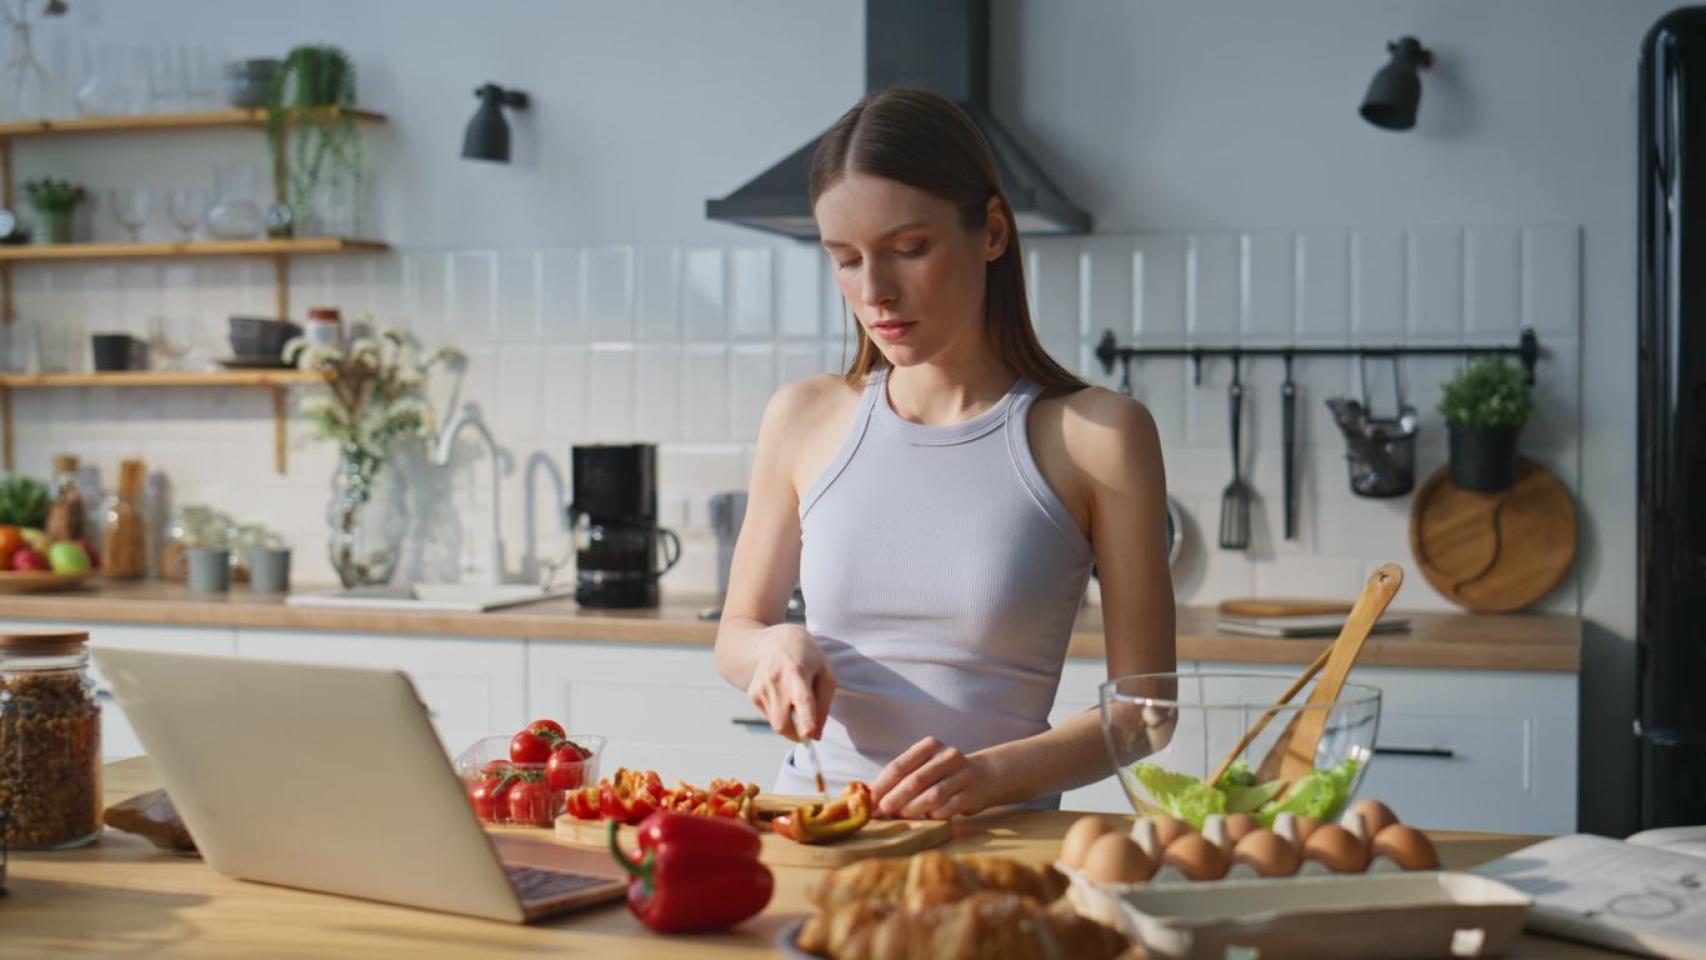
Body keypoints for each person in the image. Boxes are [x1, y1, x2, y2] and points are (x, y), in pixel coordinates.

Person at [713, 87, 1175, 819]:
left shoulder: (1099, 435)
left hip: (996, 849)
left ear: (992, 231)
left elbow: (1146, 712)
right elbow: (735, 632)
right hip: (814, 826)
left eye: (909, 249)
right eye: (846, 260)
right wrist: (773, 647)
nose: (876, 293)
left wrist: (992, 779)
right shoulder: (802, 417)